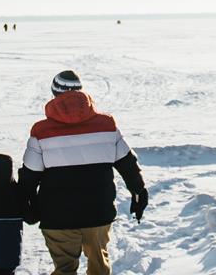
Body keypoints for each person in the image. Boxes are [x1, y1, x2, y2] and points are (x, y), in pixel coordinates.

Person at [19, 71, 147, 275]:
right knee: (99, 267)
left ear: (54, 94)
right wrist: (139, 191)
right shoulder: (107, 125)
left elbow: (29, 175)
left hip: (56, 216)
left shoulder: (41, 131)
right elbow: (128, 164)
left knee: (64, 269)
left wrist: (27, 205)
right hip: (98, 213)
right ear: (81, 92)